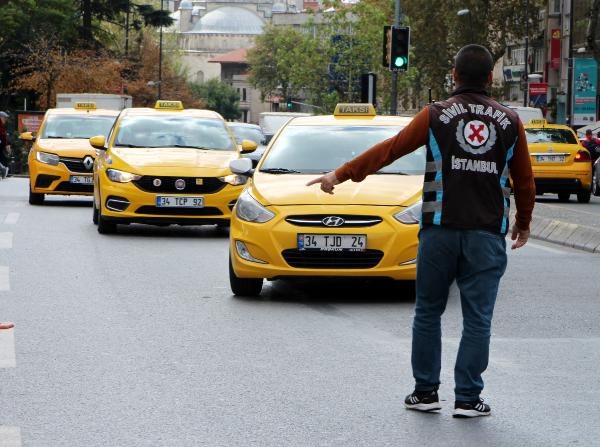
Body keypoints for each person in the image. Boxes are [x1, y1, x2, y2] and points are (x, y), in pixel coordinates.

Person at [307, 45, 535, 418]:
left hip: (439, 231)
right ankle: (467, 398)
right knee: (478, 318)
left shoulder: (436, 115)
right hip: (486, 234)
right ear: (490, 78)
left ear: (454, 75)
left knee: (428, 312)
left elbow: (389, 150)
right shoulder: (510, 120)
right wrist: (523, 223)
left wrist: (340, 173)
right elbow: (524, 180)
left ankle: (425, 391)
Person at [0, 111, 11, 179]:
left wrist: (7, 144)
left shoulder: (2, 125)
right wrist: (7, 145)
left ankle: (3, 169)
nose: (5, 120)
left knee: (2, 157)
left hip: (1, 144)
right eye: (4, 118)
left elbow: (3, 136)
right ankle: (3, 169)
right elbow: (3, 135)